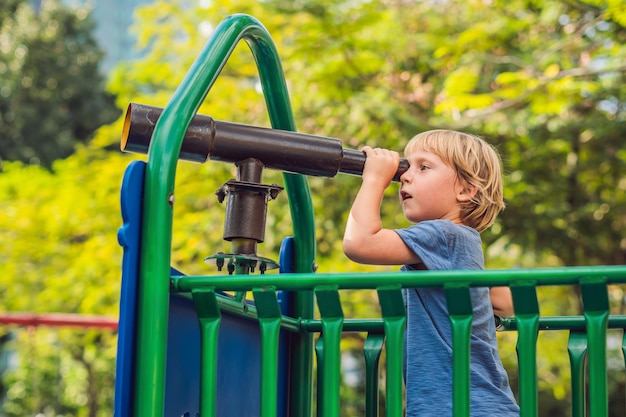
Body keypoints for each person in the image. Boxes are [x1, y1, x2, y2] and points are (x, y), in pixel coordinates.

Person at [343, 130, 519, 416]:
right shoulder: (459, 241)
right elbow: (505, 302)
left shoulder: (444, 234)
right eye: (407, 166)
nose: (405, 176)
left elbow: (359, 243)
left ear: (465, 190)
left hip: (461, 406)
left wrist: (374, 179)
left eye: (423, 167)